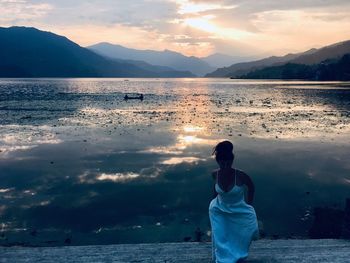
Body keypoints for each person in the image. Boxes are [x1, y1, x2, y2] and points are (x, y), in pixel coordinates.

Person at [209, 140, 258, 263]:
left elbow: (251, 187)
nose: (225, 166)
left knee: (251, 230)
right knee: (221, 236)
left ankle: (237, 255)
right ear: (218, 162)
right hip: (219, 209)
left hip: (238, 208)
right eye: (222, 163)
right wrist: (214, 200)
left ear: (232, 161)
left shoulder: (241, 175)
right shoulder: (215, 174)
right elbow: (215, 189)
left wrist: (248, 204)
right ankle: (223, 258)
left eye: (228, 163)